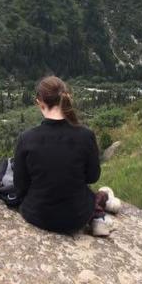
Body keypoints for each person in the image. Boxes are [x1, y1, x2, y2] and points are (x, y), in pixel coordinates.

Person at [13, 76, 121, 236]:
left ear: (39, 102)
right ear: (66, 98)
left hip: (36, 215)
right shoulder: (86, 135)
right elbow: (92, 177)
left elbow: (20, 186)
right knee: (88, 192)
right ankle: (101, 205)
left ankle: (102, 204)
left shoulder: (26, 138)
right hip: (76, 218)